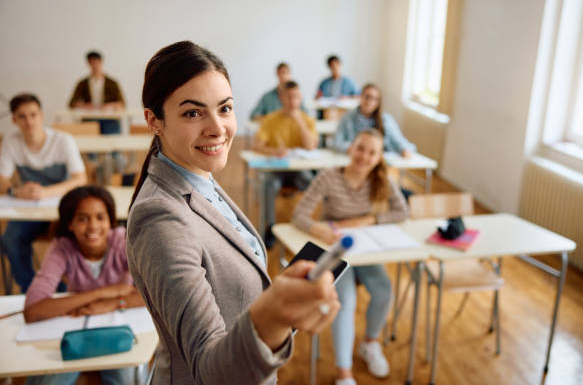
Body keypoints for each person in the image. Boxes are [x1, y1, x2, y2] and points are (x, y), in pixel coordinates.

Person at [127, 41, 339, 384]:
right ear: (154, 121)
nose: (217, 127)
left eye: (224, 108)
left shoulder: (198, 178)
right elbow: (210, 372)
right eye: (193, 113)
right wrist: (273, 315)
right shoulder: (160, 219)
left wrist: (283, 302)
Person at [292, 129, 409, 385]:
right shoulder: (328, 177)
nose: (364, 156)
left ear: (379, 158)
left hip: (365, 249)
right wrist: (319, 228)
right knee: (345, 299)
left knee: (383, 289)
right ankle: (343, 373)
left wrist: (369, 219)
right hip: (336, 249)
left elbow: (402, 212)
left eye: (372, 152)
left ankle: (370, 342)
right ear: (350, 148)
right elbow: (299, 215)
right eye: (360, 148)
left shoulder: (382, 181)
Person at [23, 186, 145, 385]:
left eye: (100, 217)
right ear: (69, 223)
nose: (93, 227)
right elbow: (32, 310)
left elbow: (156, 295)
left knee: (126, 380)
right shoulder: (61, 247)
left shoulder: (124, 240)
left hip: (119, 326)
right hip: (75, 328)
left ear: (110, 220)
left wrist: (114, 303)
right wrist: (104, 293)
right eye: (82, 218)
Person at [0, 93, 87, 293]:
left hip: (62, 207)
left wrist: (46, 193)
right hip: (29, 209)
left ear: (41, 116)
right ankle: (31, 289)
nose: (28, 121)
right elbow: (2, 181)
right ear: (14, 120)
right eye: (22, 116)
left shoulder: (62, 140)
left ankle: (66, 290)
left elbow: (80, 179)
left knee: (72, 238)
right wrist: (16, 190)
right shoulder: (11, 142)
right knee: (10, 238)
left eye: (33, 114)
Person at [253, 80, 318, 246]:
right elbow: (257, 145)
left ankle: (304, 223)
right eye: (288, 97)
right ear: (281, 97)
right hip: (277, 169)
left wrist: (299, 121)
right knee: (268, 184)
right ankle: (270, 226)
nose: (292, 101)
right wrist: (274, 151)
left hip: (299, 170)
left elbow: (310, 146)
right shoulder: (271, 119)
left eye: (295, 97)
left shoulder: (307, 120)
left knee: (313, 184)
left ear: (300, 97)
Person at [334, 83, 417, 158]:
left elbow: (399, 140)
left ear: (378, 102)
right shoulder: (348, 117)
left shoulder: (385, 119)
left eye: (375, 99)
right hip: (355, 160)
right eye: (367, 97)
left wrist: (404, 149)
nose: (370, 102)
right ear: (360, 97)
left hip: (380, 162)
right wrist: (350, 148)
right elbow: (337, 142)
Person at [68, 50, 125, 134]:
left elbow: (122, 103)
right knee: (87, 142)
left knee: (113, 143)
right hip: (89, 118)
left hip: (109, 119)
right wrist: (85, 106)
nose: (94, 65)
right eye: (91, 62)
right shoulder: (82, 83)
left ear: (101, 62)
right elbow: (72, 103)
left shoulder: (112, 83)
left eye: (96, 61)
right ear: (88, 64)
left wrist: (109, 106)